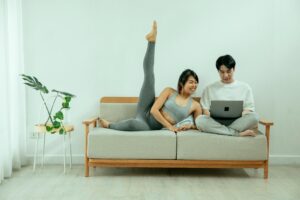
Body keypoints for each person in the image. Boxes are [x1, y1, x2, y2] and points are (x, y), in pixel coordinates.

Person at [99, 21, 202, 133]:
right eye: (191, 82)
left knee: (133, 124)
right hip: (146, 110)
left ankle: (109, 125)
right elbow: (153, 110)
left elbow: (200, 125)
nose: (194, 85)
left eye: (196, 83)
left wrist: (190, 126)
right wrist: (170, 126)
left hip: (149, 126)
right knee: (149, 78)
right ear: (182, 83)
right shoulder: (169, 92)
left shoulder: (195, 106)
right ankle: (152, 41)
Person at [195, 55, 259, 136]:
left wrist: (238, 114)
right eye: (222, 72)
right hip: (215, 122)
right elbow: (205, 111)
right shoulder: (209, 88)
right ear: (218, 71)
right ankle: (235, 133)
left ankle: (224, 131)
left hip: (237, 122)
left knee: (255, 117)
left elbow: (249, 109)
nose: (225, 75)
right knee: (200, 120)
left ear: (234, 69)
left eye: (228, 71)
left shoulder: (245, 88)